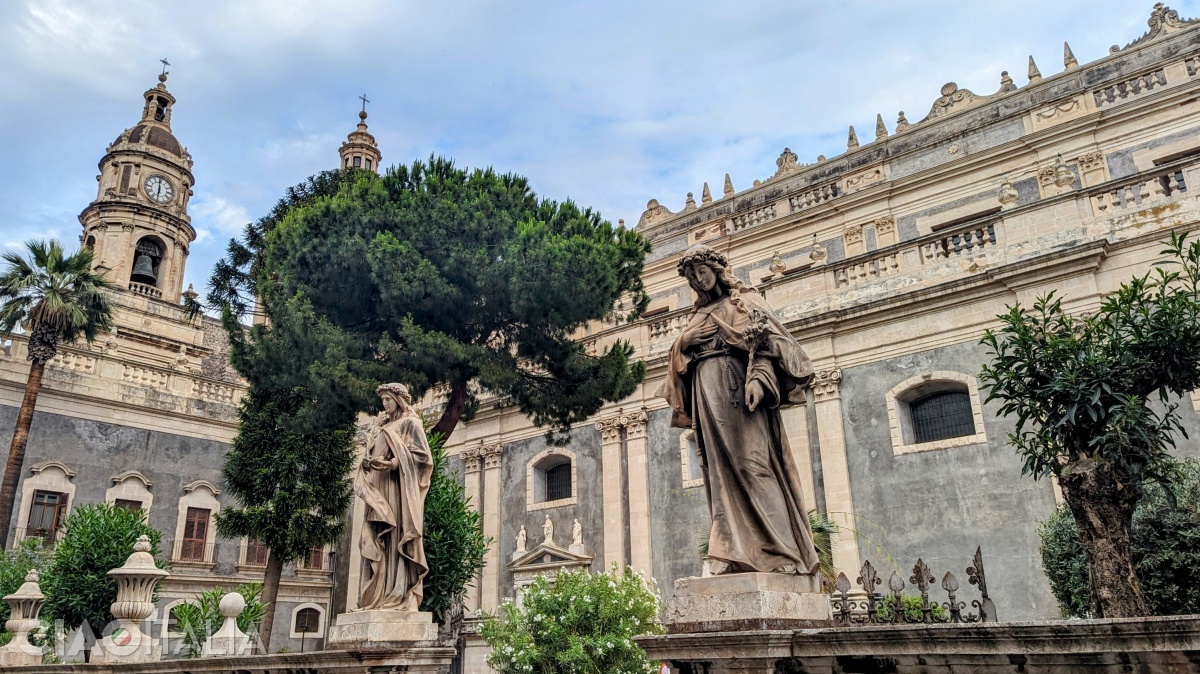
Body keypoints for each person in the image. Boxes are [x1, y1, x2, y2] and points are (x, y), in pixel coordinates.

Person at [657, 244, 821, 576]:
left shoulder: (745, 301)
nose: (698, 280)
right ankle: (731, 552)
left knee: (755, 466)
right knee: (719, 476)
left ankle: (782, 551)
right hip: (706, 391)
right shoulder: (697, 315)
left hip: (738, 388)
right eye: (691, 277)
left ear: (715, 269)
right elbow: (676, 364)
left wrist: (759, 378)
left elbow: (772, 344)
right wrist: (684, 344)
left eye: (701, 271)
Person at [356, 383, 433, 610]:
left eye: (388, 400)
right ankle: (377, 597)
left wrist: (392, 463)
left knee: (395, 536)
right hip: (378, 489)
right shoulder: (380, 428)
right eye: (383, 401)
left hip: (397, 490)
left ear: (398, 399)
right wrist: (368, 462)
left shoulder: (411, 423)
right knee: (377, 537)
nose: (385, 405)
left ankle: (397, 592)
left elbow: (423, 458)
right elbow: (369, 455)